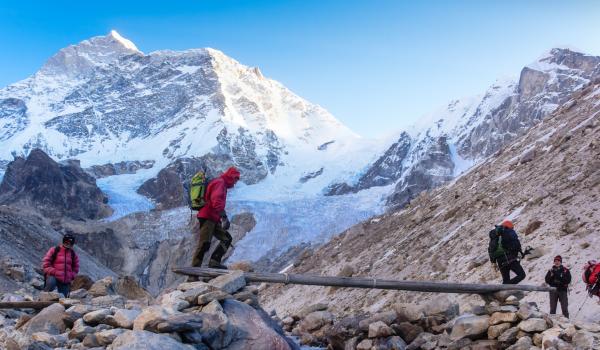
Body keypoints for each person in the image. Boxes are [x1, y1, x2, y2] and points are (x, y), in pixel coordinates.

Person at [190, 166, 240, 272]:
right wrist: (224, 217)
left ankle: (214, 263)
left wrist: (220, 217)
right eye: (235, 179)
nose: (235, 182)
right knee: (204, 244)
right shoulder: (220, 183)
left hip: (213, 217)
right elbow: (216, 199)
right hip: (207, 216)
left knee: (227, 239)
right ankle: (193, 273)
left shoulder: (222, 184)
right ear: (230, 176)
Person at [488, 219, 526, 284]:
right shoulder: (509, 231)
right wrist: (520, 253)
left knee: (506, 281)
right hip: (510, 258)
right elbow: (516, 244)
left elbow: (490, 250)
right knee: (521, 275)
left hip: (500, 262)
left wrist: (493, 262)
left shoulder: (494, 236)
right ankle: (508, 286)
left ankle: (503, 289)